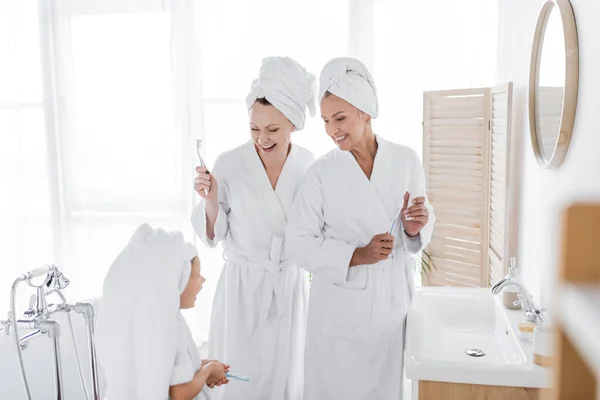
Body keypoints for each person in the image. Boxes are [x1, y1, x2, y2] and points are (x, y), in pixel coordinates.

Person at [285, 57, 435, 399]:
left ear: (365, 112)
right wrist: (355, 255)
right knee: (337, 387)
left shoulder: (405, 159)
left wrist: (414, 228)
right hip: (339, 305)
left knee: (382, 389)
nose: (332, 130)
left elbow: (420, 220)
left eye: (340, 118)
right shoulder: (321, 173)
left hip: (390, 304)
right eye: (325, 121)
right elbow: (297, 242)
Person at [191, 56, 316, 400]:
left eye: (273, 129)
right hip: (242, 290)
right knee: (241, 380)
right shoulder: (230, 164)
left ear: (293, 124)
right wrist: (211, 199)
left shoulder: (309, 165)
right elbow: (213, 237)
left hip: (288, 287)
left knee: (286, 378)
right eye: (254, 129)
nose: (262, 138)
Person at [96, 223, 229, 400]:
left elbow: (166, 375)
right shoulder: (170, 328)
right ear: (176, 283)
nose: (203, 280)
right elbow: (179, 394)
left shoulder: (147, 324)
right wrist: (208, 370)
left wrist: (205, 365)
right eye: (197, 274)